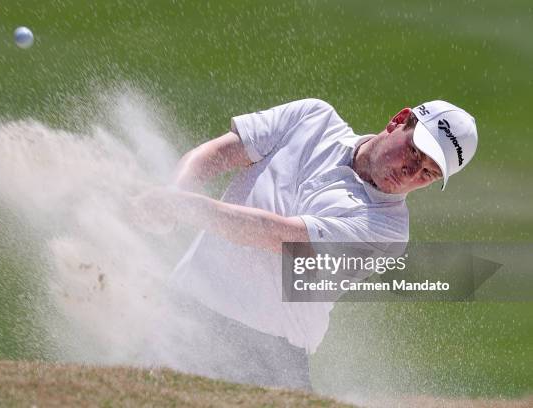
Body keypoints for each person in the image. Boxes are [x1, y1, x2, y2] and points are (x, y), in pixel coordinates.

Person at [134, 98, 478, 390]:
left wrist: (188, 209)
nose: (410, 172)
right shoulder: (312, 117)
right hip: (185, 308)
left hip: (264, 358)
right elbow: (219, 153)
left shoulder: (386, 232)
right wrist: (174, 194)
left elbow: (278, 235)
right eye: (414, 152)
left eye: (428, 174)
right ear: (399, 121)